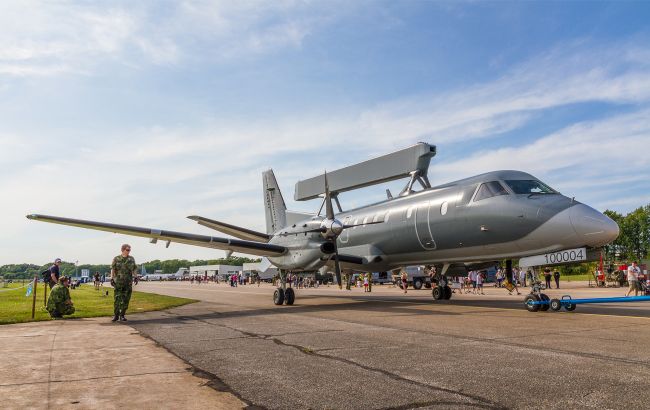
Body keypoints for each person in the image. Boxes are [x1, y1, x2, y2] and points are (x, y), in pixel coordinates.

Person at [111, 244, 137, 322]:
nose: (129, 251)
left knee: (126, 299)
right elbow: (113, 269)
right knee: (117, 299)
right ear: (123, 250)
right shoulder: (116, 258)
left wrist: (136, 277)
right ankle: (116, 315)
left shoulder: (131, 259)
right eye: (127, 250)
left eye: (129, 250)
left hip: (128, 282)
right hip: (118, 282)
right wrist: (112, 278)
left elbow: (134, 269)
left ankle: (122, 315)